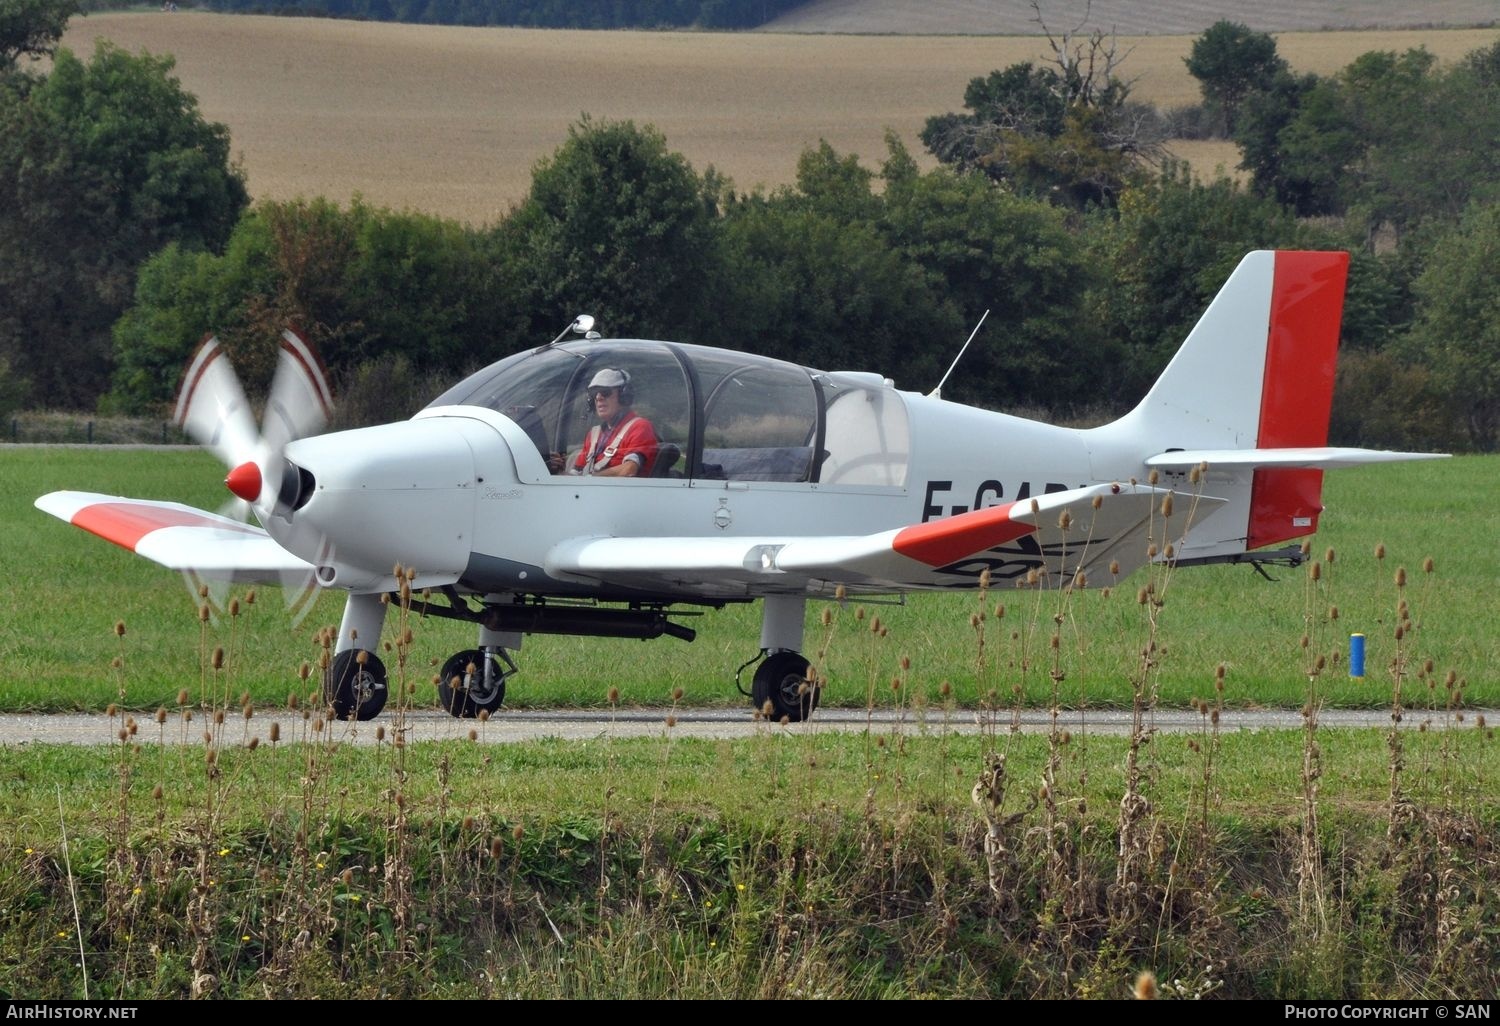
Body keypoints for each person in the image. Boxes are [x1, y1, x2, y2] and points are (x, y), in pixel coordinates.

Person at [548, 368, 658, 477]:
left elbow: (629, 470)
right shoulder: (594, 434)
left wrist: (590, 479)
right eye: (594, 393)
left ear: (624, 396)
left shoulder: (640, 427)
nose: (598, 397)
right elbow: (576, 475)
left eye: (605, 392)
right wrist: (557, 470)